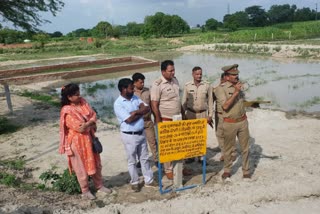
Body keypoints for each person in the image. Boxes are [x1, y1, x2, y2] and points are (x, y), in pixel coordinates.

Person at [59, 83, 112, 200]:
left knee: (96, 162)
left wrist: (88, 123)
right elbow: (80, 128)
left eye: (79, 93)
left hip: (89, 139)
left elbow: (93, 115)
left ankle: (99, 185)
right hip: (77, 143)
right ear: (69, 97)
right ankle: (85, 190)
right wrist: (90, 123)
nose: (79, 96)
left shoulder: (83, 102)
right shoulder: (67, 111)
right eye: (76, 95)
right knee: (80, 167)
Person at [150, 60, 192, 180]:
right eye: (170, 71)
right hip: (166, 120)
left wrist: (183, 115)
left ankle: (181, 167)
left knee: (180, 144)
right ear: (163, 71)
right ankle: (168, 169)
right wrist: (158, 121)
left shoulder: (175, 80)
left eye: (174, 70)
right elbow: (154, 104)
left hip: (177, 118)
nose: (173, 73)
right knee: (167, 146)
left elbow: (177, 100)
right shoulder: (157, 85)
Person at [114, 78, 157, 192]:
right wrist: (139, 112)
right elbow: (129, 120)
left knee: (144, 158)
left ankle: (149, 180)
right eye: (130, 88)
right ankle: (135, 182)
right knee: (132, 160)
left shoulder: (135, 98)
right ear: (123, 89)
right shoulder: (118, 104)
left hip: (141, 132)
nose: (133, 90)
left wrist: (137, 112)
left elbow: (146, 108)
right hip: (129, 135)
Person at [215, 64, 251, 179]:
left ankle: (246, 170)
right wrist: (235, 92)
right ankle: (227, 169)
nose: (236, 76)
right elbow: (225, 106)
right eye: (233, 75)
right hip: (229, 123)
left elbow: (243, 102)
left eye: (237, 74)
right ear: (226, 76)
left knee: (245, 148)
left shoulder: (240, 86)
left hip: (242, 122)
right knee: (228, 149)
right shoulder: (220, 89)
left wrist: (255, 103)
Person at [182, 66, 213, 164]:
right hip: (190, 114)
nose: (199, 76)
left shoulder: (207, 85)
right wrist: (183, 115)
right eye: (197, 74)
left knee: (201, 136)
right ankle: (190, 156)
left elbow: (211, 101)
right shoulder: (187, 86)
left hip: (202, 114)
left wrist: (210, 115)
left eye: (200, 74)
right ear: (193, 74)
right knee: (190, 136)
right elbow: (184, 101)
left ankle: (201, 157)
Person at [132, 73, 158, 166]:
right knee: (139, 143)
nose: (142, 84)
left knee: (153, 141)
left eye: (143, 82)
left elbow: (152, 105)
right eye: (140, 82)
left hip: (148, 121)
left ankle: (156, 159)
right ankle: (140, 160)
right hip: (137, 122)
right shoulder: (131, 93)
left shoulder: (148, 91)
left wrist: (155, 117)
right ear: (134, 83)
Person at [213, 73, 237, 162]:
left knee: (229, 135)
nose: (223, 82)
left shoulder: (233, 89)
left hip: (228, 114)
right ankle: (224, 153)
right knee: (219, 134)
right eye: (222, 81)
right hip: (218, 114)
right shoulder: (218, 89)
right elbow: (212, 94)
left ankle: (233, 153)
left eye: (225, 81)